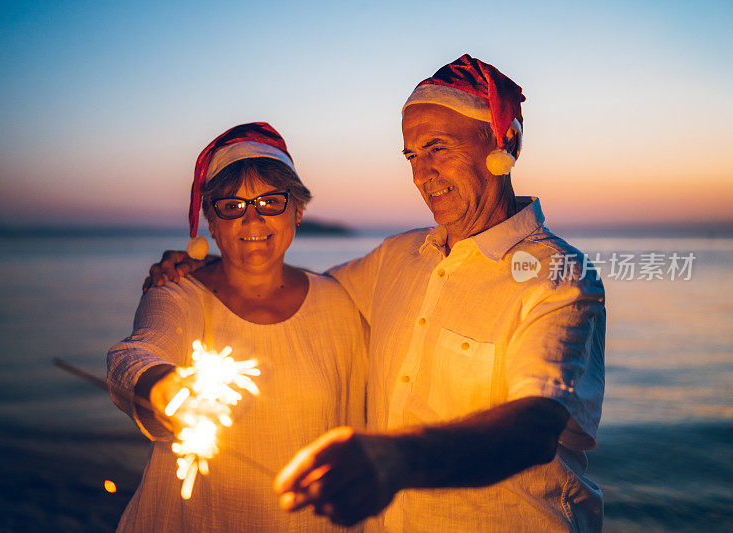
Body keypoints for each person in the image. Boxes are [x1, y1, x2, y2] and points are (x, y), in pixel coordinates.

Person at [146, 54, 606, 532]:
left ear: (503, 143)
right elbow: (298, 290)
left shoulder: (558, 275)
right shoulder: (397, 257)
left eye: (438, 148)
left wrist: (393, 458)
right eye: (411, 155)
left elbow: (535, 426)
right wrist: (216, 265)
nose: (422, 174)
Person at [107, 122, 367, 532]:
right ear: (213, 221)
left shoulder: (339, 303)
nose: (252, 221)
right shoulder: (177, 295)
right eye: (232, 206)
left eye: (270, 202)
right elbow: (133, 356)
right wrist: (164, 387)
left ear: (297, 211)